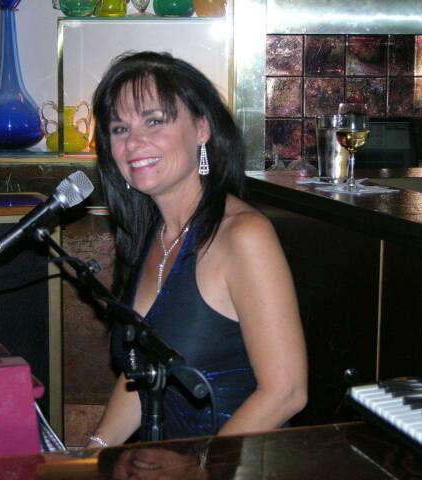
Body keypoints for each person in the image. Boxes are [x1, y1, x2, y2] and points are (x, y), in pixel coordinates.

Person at [87, 51, 307, 447]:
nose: (133, 142)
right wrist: (93, 453)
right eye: (119, 129)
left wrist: (203, 468)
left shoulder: (244, 235)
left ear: (202, 128)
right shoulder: (154, 234)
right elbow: (145, 373)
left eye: (154, 121)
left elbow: (286, 393)